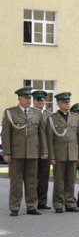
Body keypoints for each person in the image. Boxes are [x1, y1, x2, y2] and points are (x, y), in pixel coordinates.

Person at [1, 87, 48, 216]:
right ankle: (14, 207)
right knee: (16, 181)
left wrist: (44, 151)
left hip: (33, 152)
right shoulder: (10, 113)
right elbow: (5, 135)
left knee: (32, 181)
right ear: (19, 99)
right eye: (26, 98)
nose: (29, 100)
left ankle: (32, 206)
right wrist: (7, 153)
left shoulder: (37, 113)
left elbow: (42, 134)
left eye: (29, 98)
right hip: (17, 153)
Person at [47, 92, 79, 213]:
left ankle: (70, 203)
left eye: (68, 101)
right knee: (59, 181)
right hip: (59, 155)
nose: (67, 103)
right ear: (58, 103)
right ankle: (58, 203)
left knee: (71, 180)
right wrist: (51, 157)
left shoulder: (75, 118)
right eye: (64, 102)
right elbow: (50, 140)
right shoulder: (52, 119)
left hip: (72, 154)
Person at [32, 90, 52, 210]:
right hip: (33, 150)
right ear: (34, 101)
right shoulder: (30, 113)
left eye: (42, 100)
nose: (41, 102)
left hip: (47, 150)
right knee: (33, 178)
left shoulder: (49, 115)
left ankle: (42, 202)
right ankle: (33, 202)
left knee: (44, 177)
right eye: (38, 100)